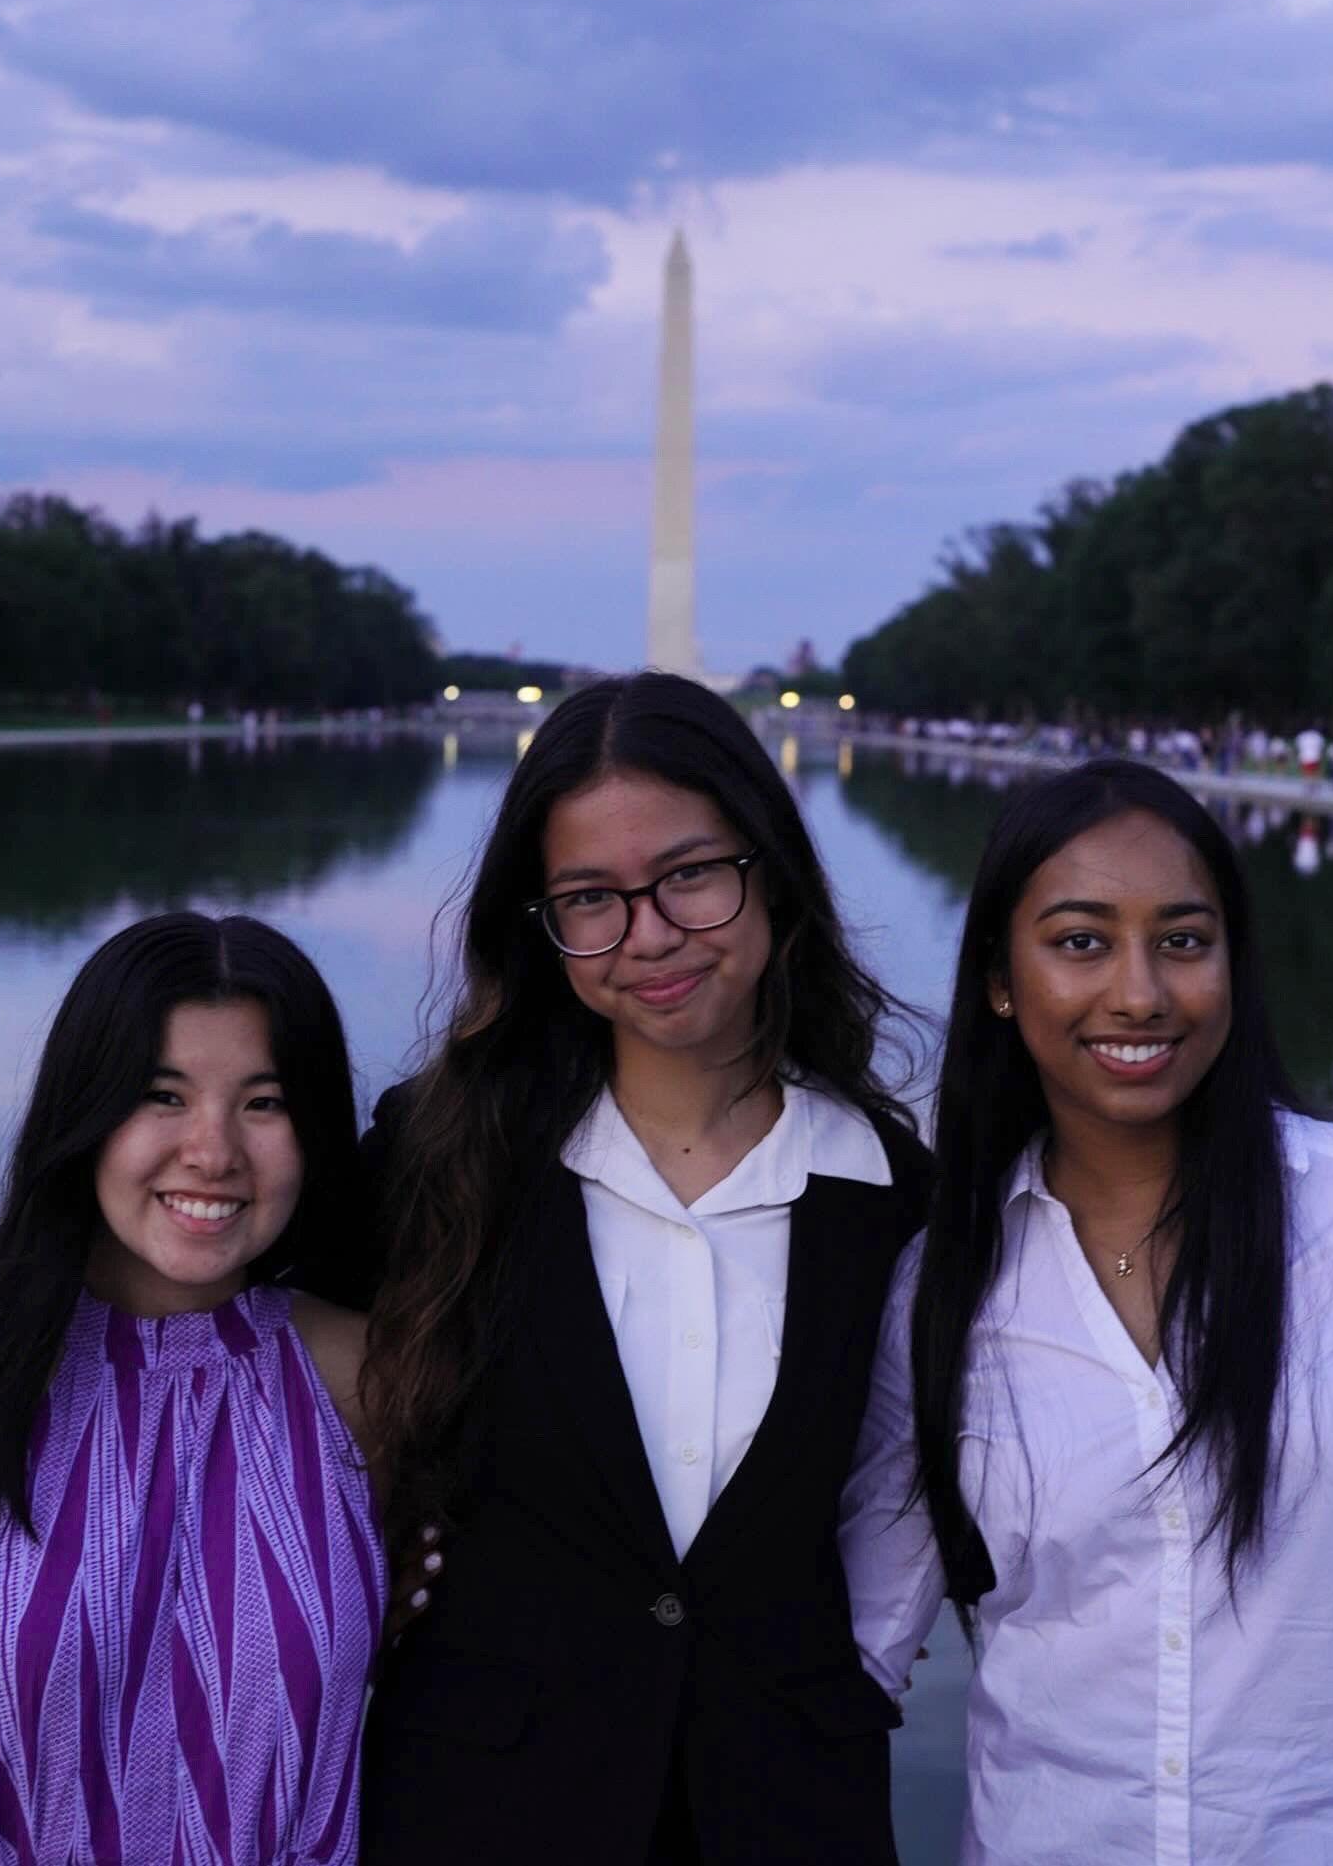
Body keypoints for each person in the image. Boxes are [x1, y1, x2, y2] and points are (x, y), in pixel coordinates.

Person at [359, 671, 932, 1866]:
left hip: (788, 1810)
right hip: (483, 1810)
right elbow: (244, 1346)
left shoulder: (891, 1193)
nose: (649, 935)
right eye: (589, 898)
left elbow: (918, 1472)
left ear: (770, 865)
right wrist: (358, 1545)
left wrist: (863, 1658)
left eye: (689, 874)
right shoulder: (434, 1153)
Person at [841, 759, 1333, 1862]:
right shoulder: (944, 1287)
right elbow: (858, 1636)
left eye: (1184, 940)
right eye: (1081, 940)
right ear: (1003, 977)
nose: (1141, 992)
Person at [0, 912, 385, 1864]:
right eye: (163, 1094)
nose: (213, 1150)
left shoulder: (367, 1382)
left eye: (264, 1101)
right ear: (87, 1108)